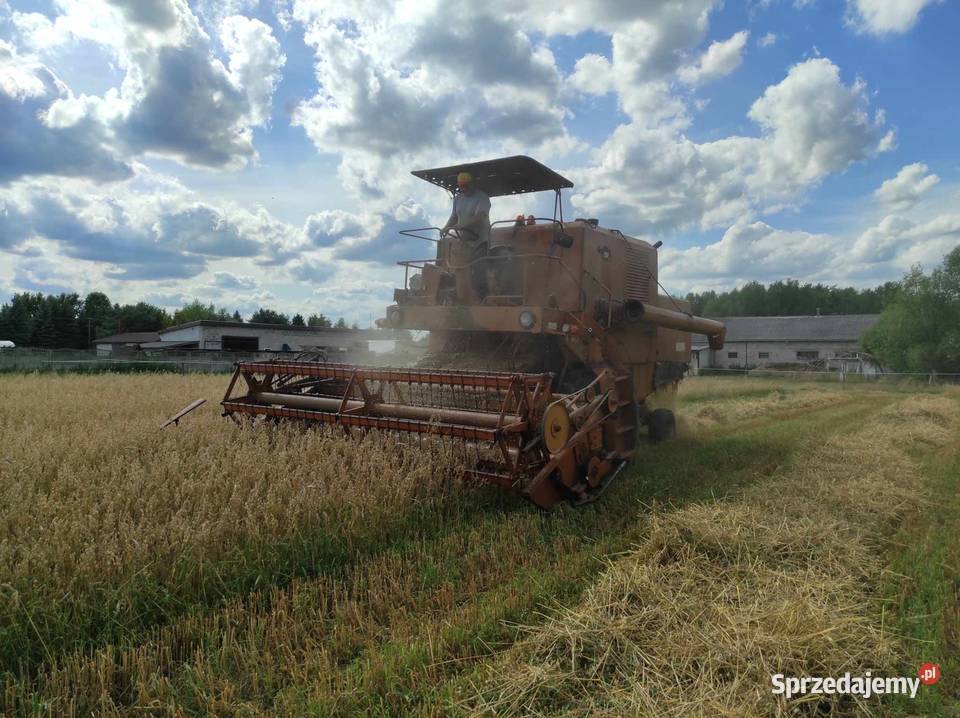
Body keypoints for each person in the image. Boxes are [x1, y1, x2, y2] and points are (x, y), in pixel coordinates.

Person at [441, 171, 491, 298]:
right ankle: (456, 295)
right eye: (461, 186)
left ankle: (481, 296)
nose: (463, 189)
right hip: (463, 241)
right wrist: (446, 227)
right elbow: (454, 217)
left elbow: (481, 215)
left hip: (481, 240)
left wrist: (464, 224)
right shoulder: (458, 199)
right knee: (455, 267)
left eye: (466, 186)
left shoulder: (482, 197)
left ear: (472, 184)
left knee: (479, 267)